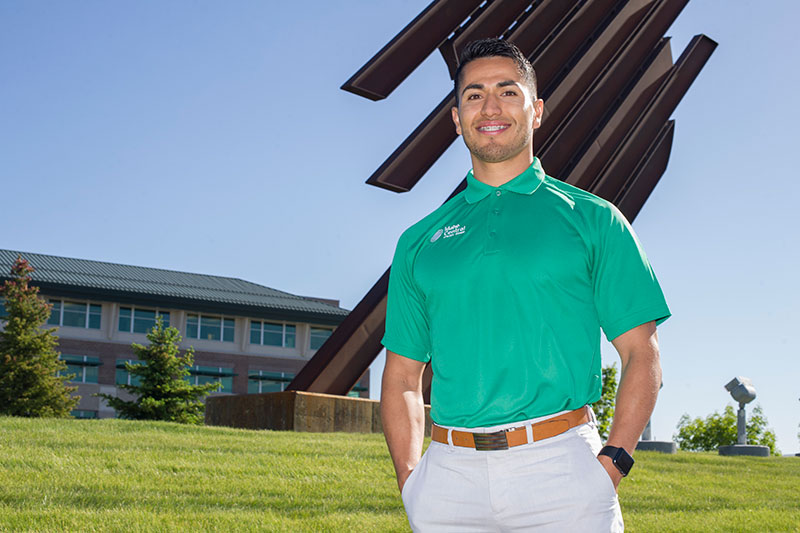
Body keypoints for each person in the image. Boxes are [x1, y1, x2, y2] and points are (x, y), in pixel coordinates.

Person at [380, 38, 671, 532]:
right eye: (473, 95)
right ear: (456, 118)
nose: (490, 107)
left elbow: (643, 354)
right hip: (447, 481)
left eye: (507, 92)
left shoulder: (596, 220)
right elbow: (402, 376)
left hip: (563, 473)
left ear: (536, 111)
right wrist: (411, 479)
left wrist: (612, 464)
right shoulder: (419, 240)